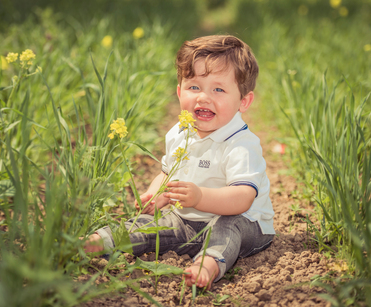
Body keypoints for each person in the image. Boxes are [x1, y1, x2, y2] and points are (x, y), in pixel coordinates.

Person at [85, 35, 275, 289]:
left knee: (227, 226)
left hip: (245, 223)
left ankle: (206, 266)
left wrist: (199, 197)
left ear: (244, 101)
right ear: (179, 92)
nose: (203, 98)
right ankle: (98, 240)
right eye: (194, 87)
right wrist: (156, 192)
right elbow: (167, 172)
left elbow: (243, 197)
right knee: (151, 226)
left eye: (218, 89)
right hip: (187, 220)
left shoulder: (241, 144)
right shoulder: (179, 133)